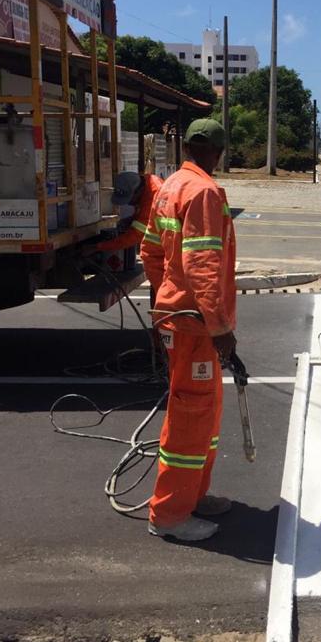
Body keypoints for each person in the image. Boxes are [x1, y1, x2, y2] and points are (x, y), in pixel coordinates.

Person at [140, 119, 237, 542]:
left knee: (204, 411)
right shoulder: (203, 192)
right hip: (196, 325)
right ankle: (170, 514)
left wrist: (165, 296)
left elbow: (150, 250)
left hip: (181, 318)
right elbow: (203, 265)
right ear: (215, 151)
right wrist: (219, 328)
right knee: (191, 417)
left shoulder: (170, 186)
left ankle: (193, 494)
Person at [101, 171, 163, 254]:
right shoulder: (144, 182)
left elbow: (133, 236)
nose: (129, 203)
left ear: (137, 191)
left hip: (161, 252)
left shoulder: (154, 199)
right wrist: (131, 219)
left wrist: (98, 247)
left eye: (129, 200)